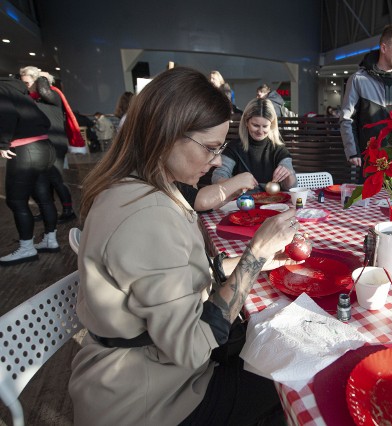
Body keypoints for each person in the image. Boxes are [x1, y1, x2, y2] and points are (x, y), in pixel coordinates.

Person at [69, 67, 300, 425]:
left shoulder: (137, 188)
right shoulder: (147, 215)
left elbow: (180, 273)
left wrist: (263, 257)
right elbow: (194, 346)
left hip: (136, 377)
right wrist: (254, 255)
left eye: (220, 148)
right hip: (145, 400)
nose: (216, 161)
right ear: (165, 136)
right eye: (210, 148)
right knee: (287, 389)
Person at [339, 24, 392, 177]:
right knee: (370, 201)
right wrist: (353, 153)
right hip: (371, 161)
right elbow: (347, 120)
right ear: (384, 48)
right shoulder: (358, 80)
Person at [0, 75, 59, 266]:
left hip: (26, 150)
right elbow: (43, 119)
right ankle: (50, 240)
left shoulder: (2, 91)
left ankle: (26, 248)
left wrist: (3, 143)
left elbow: (6, 115)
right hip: (44, 146)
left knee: (16, 200)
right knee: (44, 197)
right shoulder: (20, 92)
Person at [20, 67, 77, 223]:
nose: (24, 85)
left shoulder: (52, 95)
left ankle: (68, 210)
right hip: (42, 144)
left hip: (55, 144)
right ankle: (47, 210)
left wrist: (42, 77)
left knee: (56, 178)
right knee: (42, 180)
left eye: (27, 82)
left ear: (38, 81)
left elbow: (44, 91)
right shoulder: (33, 99)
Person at [211, 97, 297, 191]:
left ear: (271, 125)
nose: (260, 131)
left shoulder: (279, 149)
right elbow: (217, 178)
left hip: (273, 203)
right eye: (255, 125)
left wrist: (289, 173)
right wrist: (237, 183)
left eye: (265, 126)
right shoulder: (234, 147)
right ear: (246, 122)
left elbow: (292, 186)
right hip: (243, 203)